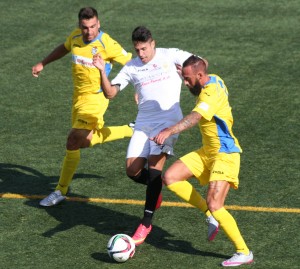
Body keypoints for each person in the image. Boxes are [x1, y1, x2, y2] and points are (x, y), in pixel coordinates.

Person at [92, 26, 219, 246]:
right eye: (137, 49)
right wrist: (102, 71)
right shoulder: (132, 67)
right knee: (132, 171)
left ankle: (146, 223)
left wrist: (184, 72)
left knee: (154, 167)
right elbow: (110, 93)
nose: (141, 54)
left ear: (153, 43)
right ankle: (156, 189)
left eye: (144, 48)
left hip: (168, 122)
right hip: (143, 123)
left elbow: (202, 63)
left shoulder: (170, 55)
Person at [151, 55, 254, 267]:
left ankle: (244, 252)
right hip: (208, 151)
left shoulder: (211, 92)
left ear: (200, 75)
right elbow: (203, 62)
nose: (185, 83)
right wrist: (187, 69)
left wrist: (170, 130)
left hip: (224, 153)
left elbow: (195, 117)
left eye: (188, 79)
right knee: (171, 177)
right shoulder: (213, 77)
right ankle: (210, 215)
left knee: (216, 203)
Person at [32, 7, 133, 207]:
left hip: (96, 100)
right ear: (80, 25)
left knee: (72, 139)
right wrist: (43, 63)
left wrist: (139, 88)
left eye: (93, 26)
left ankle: (60, 190)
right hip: (78, 98)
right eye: (85, 27)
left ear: (99, 23)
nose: (89, 31)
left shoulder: (107, 43)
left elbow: (132, 62)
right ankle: (130, 129)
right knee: (80, 142)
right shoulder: (76, 36)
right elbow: (64, 47)